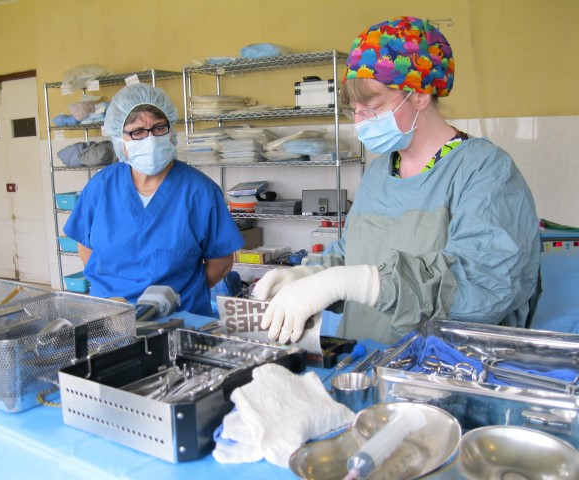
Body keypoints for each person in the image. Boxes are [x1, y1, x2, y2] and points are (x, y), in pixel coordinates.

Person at [253, 16, 540, 345]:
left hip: (440, 363)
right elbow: (355, 253)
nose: (360, 122)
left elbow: (483, 287)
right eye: (354, 110)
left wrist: (352, 283)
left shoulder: (485, 171)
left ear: (419, 95)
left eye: (372, 107)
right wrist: (311, 273)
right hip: (363, 354)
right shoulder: (380, 172)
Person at [64, 83, 244, 316]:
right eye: (137, 132)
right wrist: (113, 291)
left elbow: (220, 263)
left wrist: (181, 297)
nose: (150, 139)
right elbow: (85, 248)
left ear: (171, 131)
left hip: (179, 317)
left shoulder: (200, 191)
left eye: (159, 128)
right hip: (110, 315)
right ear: (120, 138)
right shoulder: (100, 187)